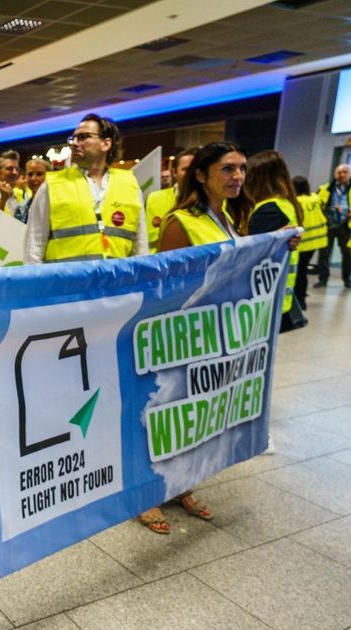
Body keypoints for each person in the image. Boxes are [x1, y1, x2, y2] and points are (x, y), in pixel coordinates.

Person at [142, 141, 254, 533]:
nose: (237, 176)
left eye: (241, 168)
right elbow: (163, 289)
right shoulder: (181, 222)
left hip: (217, 336)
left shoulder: (230, 219)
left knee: (196, 417)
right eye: (227, 169)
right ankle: (148, 495)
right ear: (202, 175)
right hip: (182, 337)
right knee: (165, 415)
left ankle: (182, 485)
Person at [24, 114, 148, 264]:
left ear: (106, 144)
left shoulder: (129, 185)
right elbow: (34, 245)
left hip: (115, 284)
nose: (75, 143)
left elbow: (140, 246)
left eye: (83, 137)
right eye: (73, 138)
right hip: (68, 285)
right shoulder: (53, 186)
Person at [244, 150, 305, 330]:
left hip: (264, 294)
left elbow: (251, 254)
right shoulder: (286, 204)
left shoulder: (267, 210)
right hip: (279, 291)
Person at [316, 164, 351, 289]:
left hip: (347, 225)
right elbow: (317, 204)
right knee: (324, 254)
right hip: (329, 224)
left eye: (345, 172)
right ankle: (323, 279)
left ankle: (347, 279)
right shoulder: (325, 188)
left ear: (350, 174)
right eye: (339, 172)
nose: (341, 175)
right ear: (335, 174)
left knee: (347, 254)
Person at [144, 147, 199, 253]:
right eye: (186, 170)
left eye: (195, 169)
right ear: (174, 172)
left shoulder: (212, 201)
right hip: (158, 264)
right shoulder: (154, 198)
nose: (191, 174)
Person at [292, 176, 328, 309]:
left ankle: (299, 301)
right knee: (303, 271)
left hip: (302, 242)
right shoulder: (315, 198)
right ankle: (301, 300)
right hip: (316, 241)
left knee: (299, 273)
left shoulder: (296, 202)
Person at [13, 156, 50, 223]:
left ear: (49, 175)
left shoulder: (56, 203)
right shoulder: (21, 208)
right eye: (30, 174)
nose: (33, 178)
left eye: (39, 174)